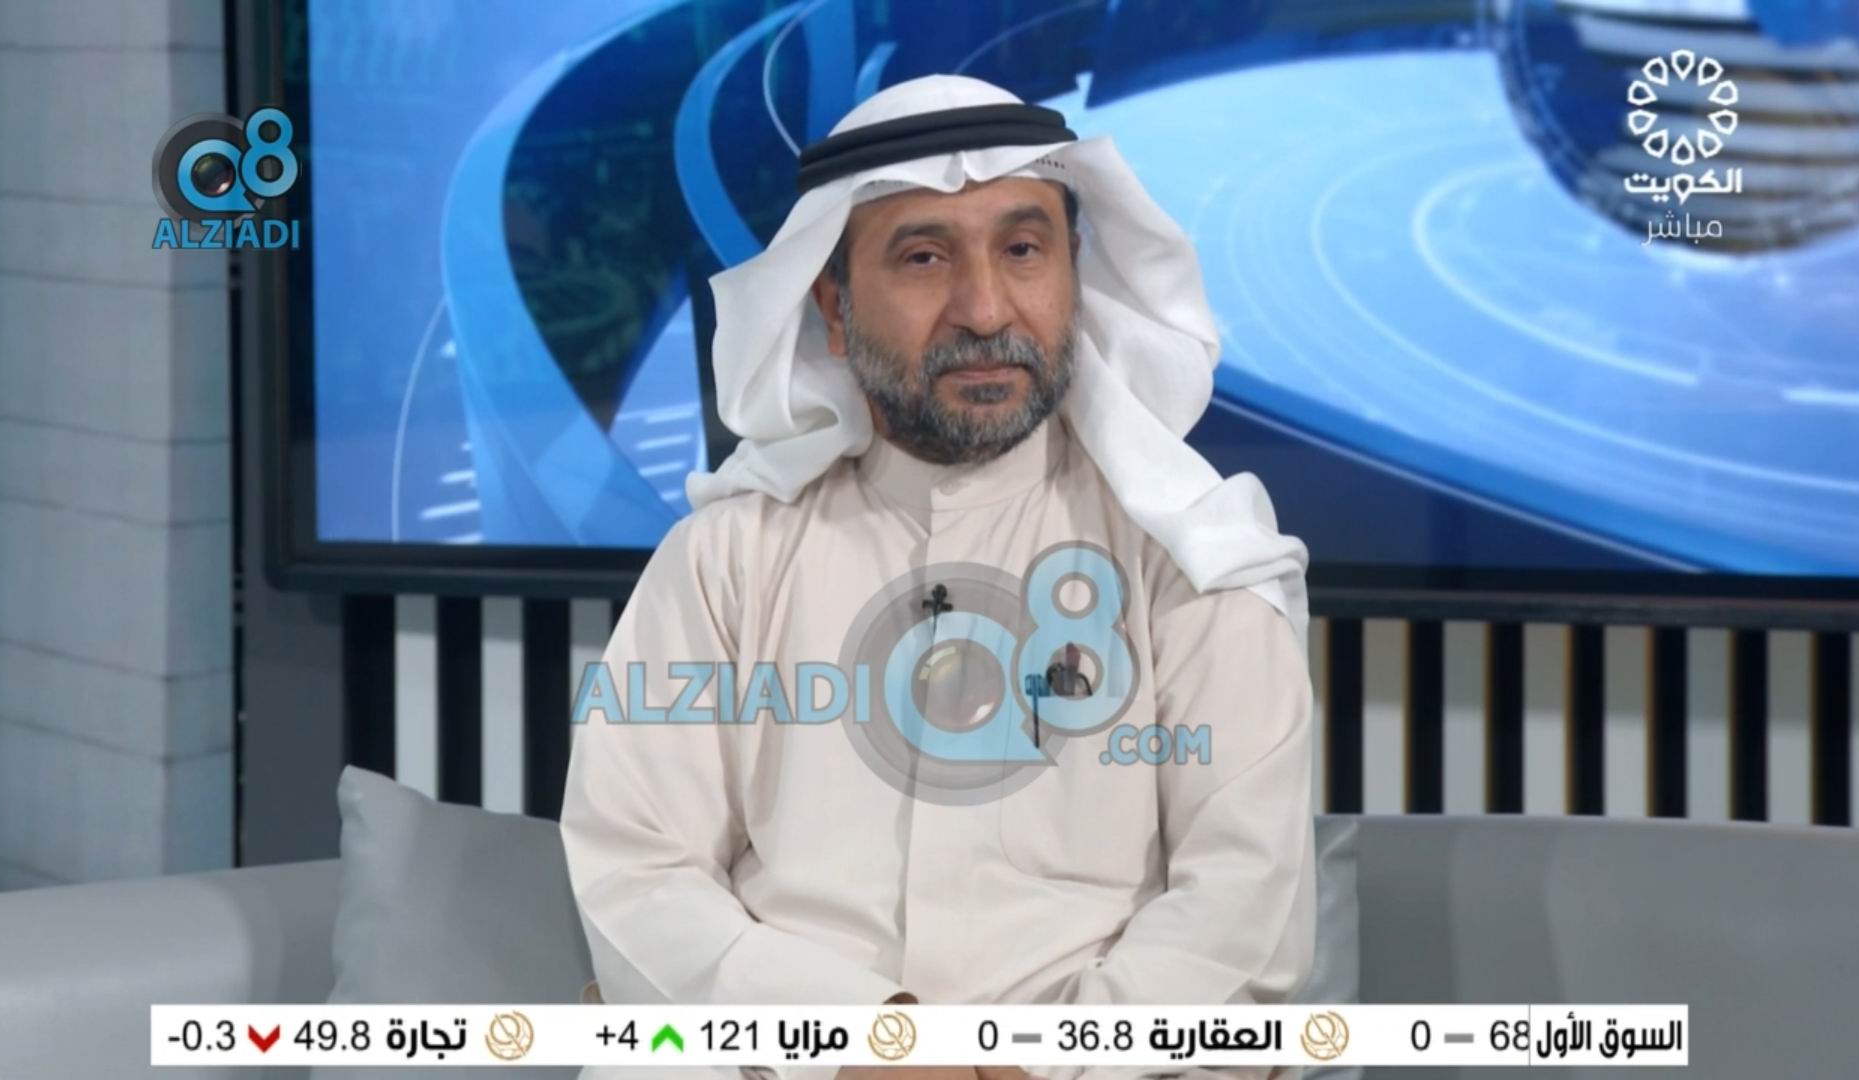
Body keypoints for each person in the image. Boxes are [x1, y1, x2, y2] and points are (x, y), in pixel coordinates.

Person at [561, 74, 1317, 1080]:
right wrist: (856, 1045)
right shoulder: (725, 559)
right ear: (833, 307)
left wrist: (1031, 1068)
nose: (984, 308)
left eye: (1023, 250)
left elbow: (1240, 917)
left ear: (1074, 273)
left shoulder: (1190, 557)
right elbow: (635, 867)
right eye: (924, 257)